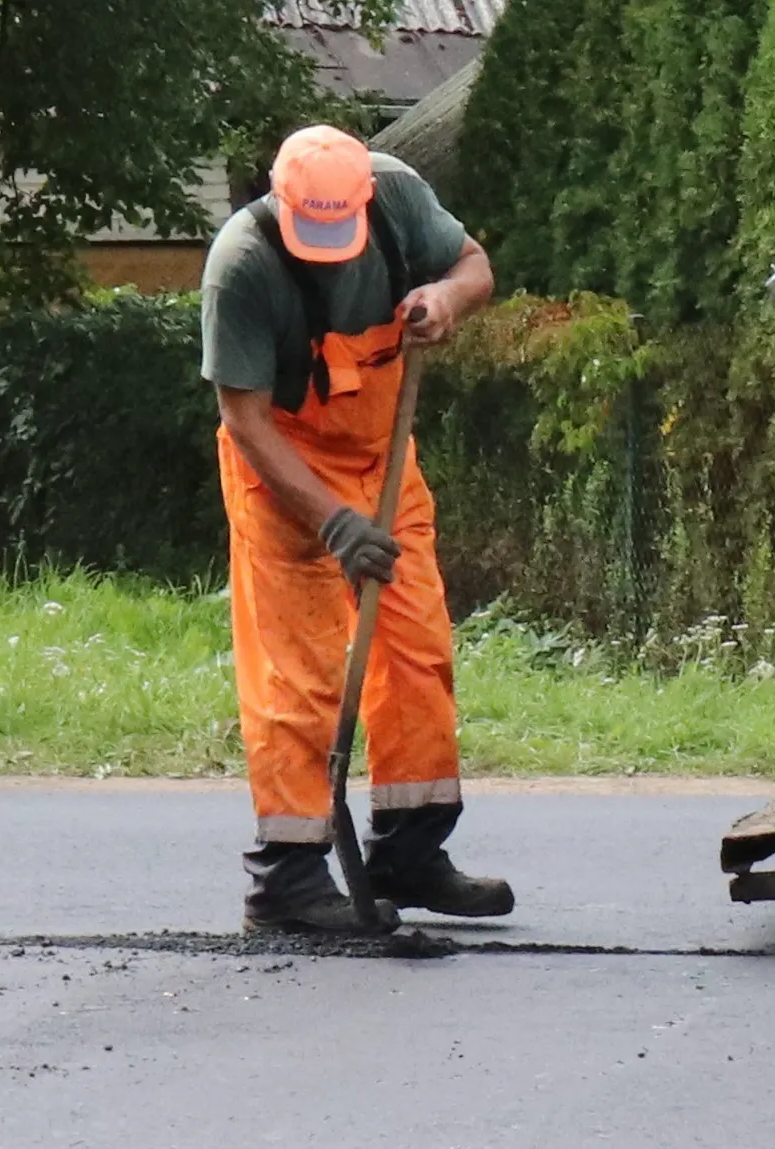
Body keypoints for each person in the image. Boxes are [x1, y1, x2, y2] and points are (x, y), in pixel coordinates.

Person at [201, 125, 511, 934]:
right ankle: (288, 877)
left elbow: (476, 265)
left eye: (343, 233)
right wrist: (330, 520)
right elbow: (244, 418)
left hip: (381, 460)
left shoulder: (401, 195)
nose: (331, 251)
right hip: (284, 474)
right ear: (281, 202)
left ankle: (409, 851)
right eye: (316, 233)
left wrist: (446, 297)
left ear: (366, 201)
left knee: (415, 650)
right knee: (297, 673)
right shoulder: (242, 263)